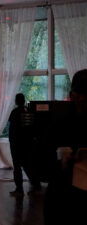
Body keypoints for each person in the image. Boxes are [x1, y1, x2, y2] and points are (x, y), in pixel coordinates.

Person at [44, 69, 87, 225]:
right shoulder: (60, 124)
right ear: (73, 96)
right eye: (82, 97)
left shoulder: (60, 123)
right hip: (65, 197)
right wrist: (61, 162)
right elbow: (43, 161)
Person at [8, 93, 41, 196]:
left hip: (17, 144)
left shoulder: (15, 112)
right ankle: (36, 185)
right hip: (28, 144)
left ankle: (19, 189)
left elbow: (13, 128)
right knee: (28, 166)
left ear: (17, 101)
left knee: (17, 167)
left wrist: (12, 142)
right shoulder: (30, 111)